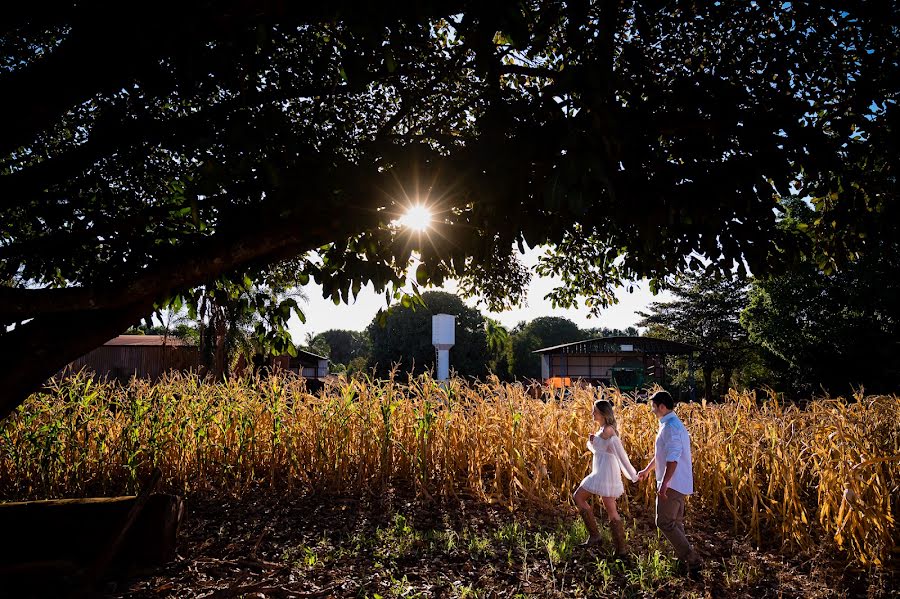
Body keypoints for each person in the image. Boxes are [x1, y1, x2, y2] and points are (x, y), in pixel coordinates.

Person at [637, 389, 702, 574]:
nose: (652, 411)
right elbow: (662, 455)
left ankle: (692, 558)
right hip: (677, 482)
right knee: (676, 523)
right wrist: (647, 470)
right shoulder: (670, 424)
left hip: (672, 484)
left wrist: (664, 484)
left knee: (664, 522)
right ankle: (686, 562)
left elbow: (673, 459)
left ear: (662, 407)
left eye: (654, 407)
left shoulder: (671, 427)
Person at [573, 398, 638, 555]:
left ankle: (618, 547)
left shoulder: (608, 430)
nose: (592, 413)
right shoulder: (602, 430)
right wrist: (593, 441)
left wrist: (633, 475)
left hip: (606, 473)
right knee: (582, 498)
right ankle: (598, 537)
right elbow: (601, 450)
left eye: (594, 410)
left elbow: (620, 454)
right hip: (601, 470)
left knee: (586, 499)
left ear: (602, 413)